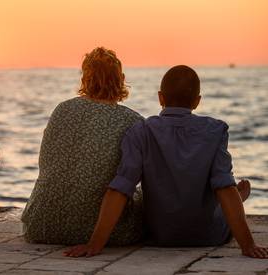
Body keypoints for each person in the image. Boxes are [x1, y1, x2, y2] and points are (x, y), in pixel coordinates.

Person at [64, 65, 268, 258]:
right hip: (209, 235)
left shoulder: (141, 132)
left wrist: (95, 244)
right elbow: (224, 187)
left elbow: (121, 188)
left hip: (160, 235)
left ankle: (237, 198)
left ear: (160, 97)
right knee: (226, 192)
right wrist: (249, 246)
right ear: (197, 101)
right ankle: (239, 198)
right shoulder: (215, 130)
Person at [21, 47, 144, 245]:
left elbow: (45, 163)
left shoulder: (62, 109)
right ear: (121, 78)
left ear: (85, 78)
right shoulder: (132, 121)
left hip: (40, 225)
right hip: (97, 230)